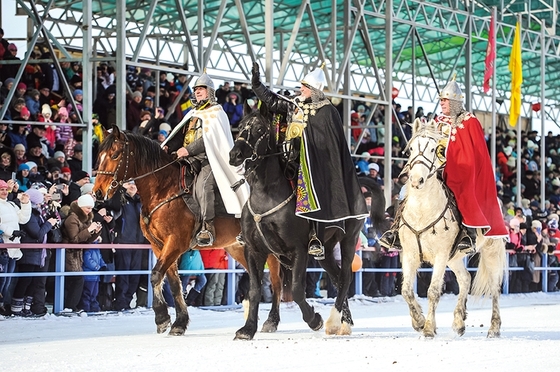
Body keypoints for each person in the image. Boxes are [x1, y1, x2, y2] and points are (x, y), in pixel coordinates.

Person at [251, 62, 368, 258]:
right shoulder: (294, 103)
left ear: (313, 90)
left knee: (316, 185)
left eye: (304, 87)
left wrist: (305, 140)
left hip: (316, 162)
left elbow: (327, 141)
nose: (300, 90)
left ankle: (316, 236)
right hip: (289, 157)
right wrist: (257, 85)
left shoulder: (327, 111)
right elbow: (272, 102)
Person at [380, 76, 508, 252]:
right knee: (406, 190)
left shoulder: (470, 121)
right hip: (436, 169)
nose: (442, 104)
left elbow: (477, 152)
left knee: (463, 192)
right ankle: (396, 232)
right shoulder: (439, 121)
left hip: (463, 170)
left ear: (455, 101)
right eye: (441, 100)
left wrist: (461, 166)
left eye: (445, 101)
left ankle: (468, 234)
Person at [161, 71, 248, 246]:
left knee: (203, 186)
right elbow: (181, 134)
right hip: (188, 160)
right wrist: (169, 146)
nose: (197, 92)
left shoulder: (217, 112)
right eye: (196, 89)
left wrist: (188, 149)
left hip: (209, 161)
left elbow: (209, 139)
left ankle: (207, 228)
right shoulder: (193, 113)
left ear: (210, 91)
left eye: (201, 88)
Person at [9, 188, 57, 316]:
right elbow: (37, 234)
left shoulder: (37, 214)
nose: (42, 204)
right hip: (29, 251)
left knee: (33, 281)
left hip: (37, 252)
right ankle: (16, 308)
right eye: (40, 201)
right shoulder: (30, 215)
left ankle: (26, 307)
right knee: (25, 280)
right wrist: (49, 224)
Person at [61, 193, 102, 312]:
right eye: (87, 208)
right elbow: (74, 239)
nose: (89, 211)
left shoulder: (84, 219)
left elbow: (86, 240)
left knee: (76, 280)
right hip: (69, 253)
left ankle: (71, 306)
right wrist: (89, 229)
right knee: (77, 279)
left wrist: (96, 232)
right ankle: (70, 306)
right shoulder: (72, 218)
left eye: (91, 208)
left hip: (78, 254)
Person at [0, 181, 31, 315]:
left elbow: (22, 219)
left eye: (6, 189)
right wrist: (11, 232)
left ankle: (1, 305)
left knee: (7, 280)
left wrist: (25, 204)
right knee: (2, 279)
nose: (4, 192)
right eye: (1, 189)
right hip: (3, 247)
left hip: (13, 247)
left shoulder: (11, 204)